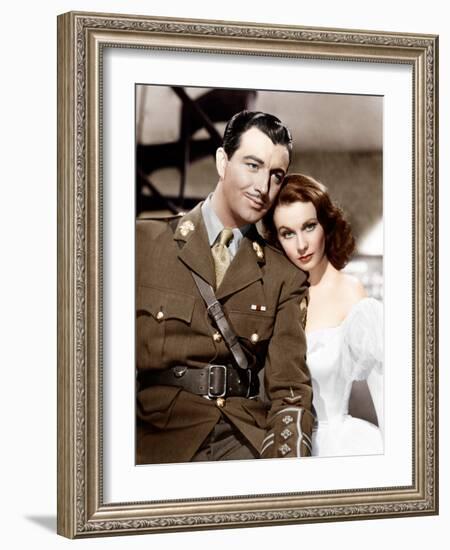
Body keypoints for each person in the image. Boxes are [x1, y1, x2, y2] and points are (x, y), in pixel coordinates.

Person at [136, 111, 315, 464]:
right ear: (222, 161)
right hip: (155, 440)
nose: (263, 187)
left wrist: (284, 470)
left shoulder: (284, 276)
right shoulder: (143, 243)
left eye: (275, 175)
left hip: (242, 443)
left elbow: (290, 391)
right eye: (252, 165)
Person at [264, 173, 383, 457]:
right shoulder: (273, 300)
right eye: (287, 233)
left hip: (341, 449)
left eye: (309, 226)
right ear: (277, 240)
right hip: (281, 450)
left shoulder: (350, 292)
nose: (301, 245)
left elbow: (386, 392)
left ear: (325, 226)